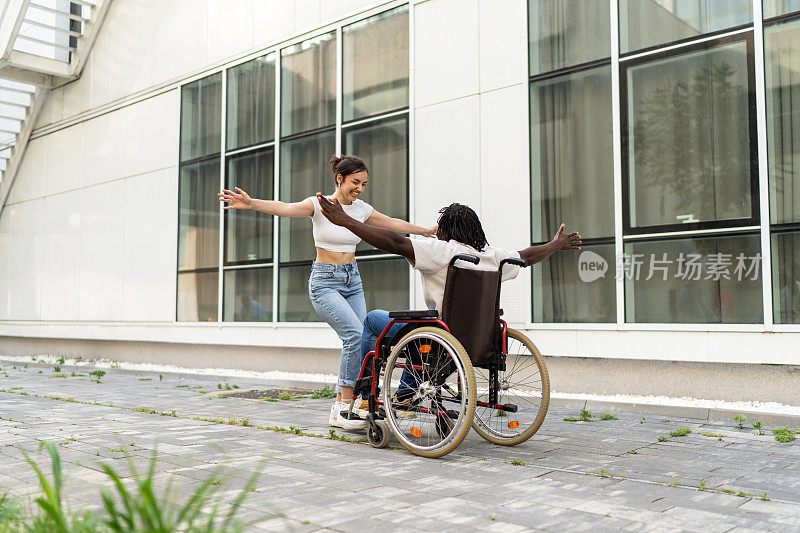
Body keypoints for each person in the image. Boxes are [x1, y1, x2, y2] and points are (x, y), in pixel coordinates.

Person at [218, 155, 436, 430]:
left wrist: (424, 231)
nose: (359, 188)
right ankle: (344, 408)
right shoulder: (319, 205)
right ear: (339, 179)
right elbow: (285, 208)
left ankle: (350, 403)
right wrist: (252, 204)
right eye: (355, 182)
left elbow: (392, 223)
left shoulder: (361, 209)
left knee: (367, 338)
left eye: (364, 184)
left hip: (352, 281)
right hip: (324, 282)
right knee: (354, 336)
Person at [316, 196, 581, 404]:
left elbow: (395, 243)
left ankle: (363, 397)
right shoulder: (493, 257)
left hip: (441, 338)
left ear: (446, 230)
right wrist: (554, 245)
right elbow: (526, 256)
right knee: (420, 328)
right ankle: (407, 393)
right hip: (478, 340)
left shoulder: (443, 251)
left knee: (375, 319)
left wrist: (347, 221)